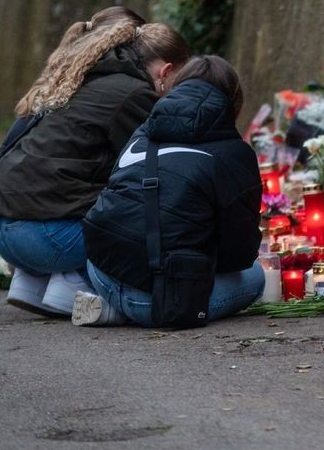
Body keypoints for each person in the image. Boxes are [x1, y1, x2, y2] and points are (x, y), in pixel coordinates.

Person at [0, 7, 192, 316]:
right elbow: (157, 173)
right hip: (45, 238)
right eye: (181, 81)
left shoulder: (79, 78)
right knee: (149, 215)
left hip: (2, 230)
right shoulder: (134, 95)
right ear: (166, 72)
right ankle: (74, 282)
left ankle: (32, 282)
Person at [77, 55, 264, 327]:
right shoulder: (235, 154)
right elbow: (239, 254)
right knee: (256, 277)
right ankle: (136, 310)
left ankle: (116, 306)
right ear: (235, 101)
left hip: (102, 272)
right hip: (168, 299)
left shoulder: (144, 131)